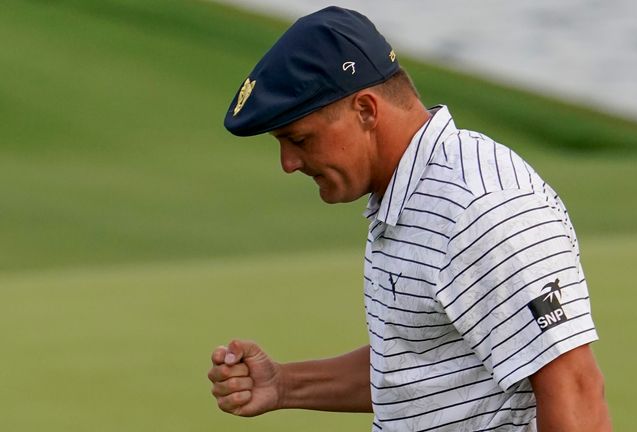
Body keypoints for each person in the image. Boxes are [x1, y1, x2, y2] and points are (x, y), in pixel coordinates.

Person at [208, 6, 611, 431]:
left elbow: (575, 387)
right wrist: (286, 385)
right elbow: (421, 364)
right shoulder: (413, 195)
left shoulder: (478, 207)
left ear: (365, 109)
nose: (289, 163)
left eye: (300, 139)